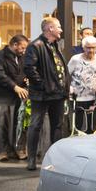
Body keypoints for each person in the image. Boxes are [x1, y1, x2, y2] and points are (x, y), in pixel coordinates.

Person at [23, 17, 71, 171]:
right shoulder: (35, 45)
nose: (61, 30)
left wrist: (64, 86)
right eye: (58, 27)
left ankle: (55, 159)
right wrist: (43, 85)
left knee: (57, 126)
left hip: (57, 94)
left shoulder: (54, 45)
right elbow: (29, 69)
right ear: (50, 28)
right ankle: (31, 159)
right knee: (36, 124)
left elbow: (60, 69)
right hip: (42, 94)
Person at [0, 34, 29, 161]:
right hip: (0, 96)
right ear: (14, 45)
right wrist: (15, 86)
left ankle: (17, 149)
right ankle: (2, 152)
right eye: (22, 48)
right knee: (1, 124)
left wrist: (26, 79)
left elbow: (24, 71)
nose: (24, 50)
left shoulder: (22, 57)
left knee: (17, 124)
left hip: (17, 96)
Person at [67, 35, 96, 133]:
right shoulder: (75, 59)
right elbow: (67, 76)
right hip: (77, 98)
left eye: (93, 47)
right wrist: (70, 88)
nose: (91, 50)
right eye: (88, 47)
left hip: (94, 99)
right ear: (83, 47)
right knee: (77, 126)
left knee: (93, 127)